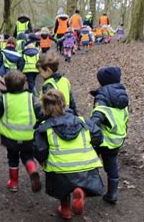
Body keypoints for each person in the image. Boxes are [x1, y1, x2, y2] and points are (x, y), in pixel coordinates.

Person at [34, 89, 104, 220]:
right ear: (64, 104)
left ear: (44, 108)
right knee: (81, 179)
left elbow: (39, 149)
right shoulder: (83, 121)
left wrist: (42, 161)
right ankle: (81, 192)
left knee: (62, 187)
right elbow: (98, 137)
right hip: (86, 166)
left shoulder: (44, 128)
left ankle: (65, 210)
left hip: (59, 169)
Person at [0, 71, 42, 193]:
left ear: (6, 85)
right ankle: (32, 169)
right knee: (27, 155)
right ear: (24, 85)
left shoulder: (4, 99)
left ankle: (13, 183)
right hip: (29, 137)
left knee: (13, 158)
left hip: (10, 138)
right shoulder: (31, 98)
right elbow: (40, 113)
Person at [89, 66, 129, 204]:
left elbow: (97, 117)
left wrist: (88, 129)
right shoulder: (122, 97)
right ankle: (112, 194)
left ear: (102, 83)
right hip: (117, 139)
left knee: (90, 162)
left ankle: (89, 187)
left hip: (102, 139)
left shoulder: (102, 99)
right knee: (111, 165)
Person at [37, 51, 78, 115]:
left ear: (48, 70)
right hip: (68, 114)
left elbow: (47, 107)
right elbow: (72, 101)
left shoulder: (48, 85)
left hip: (55, 117)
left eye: (40, 72)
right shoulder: (64, 80)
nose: (40, 74)